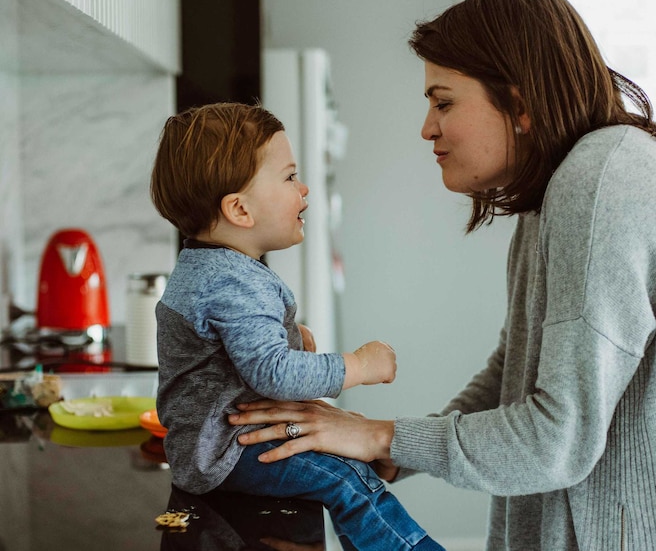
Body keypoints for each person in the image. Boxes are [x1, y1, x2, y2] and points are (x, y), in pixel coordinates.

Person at [228, 0, 656, 551]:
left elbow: (554, 440)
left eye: (443, 103)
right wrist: (387, 451)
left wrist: (378, 436)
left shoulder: (599, 186)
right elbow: (514, 371)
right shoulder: (570, 184)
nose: (427, 128)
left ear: (519, 104)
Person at [149, 102, 444, 551]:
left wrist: (290, 341)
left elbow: (237, 361)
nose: (303, 188)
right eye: (289, 177)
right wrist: (359, 365)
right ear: (240, 210)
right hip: (228, 453)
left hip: (212, 448)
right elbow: (273, 373)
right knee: (346, 479)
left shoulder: (209, 268)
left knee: (348, 473)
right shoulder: (232, 281)